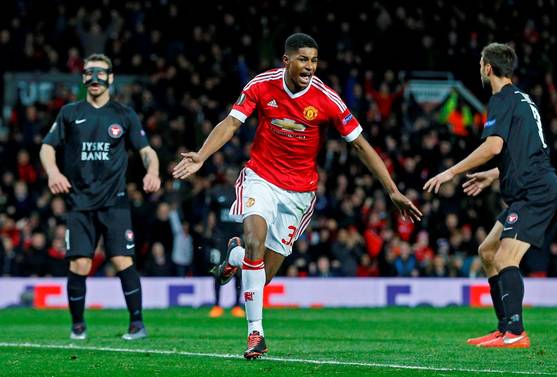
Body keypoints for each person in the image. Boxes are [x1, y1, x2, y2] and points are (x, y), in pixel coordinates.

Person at [173, 33, 422, 359]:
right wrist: (202, 156)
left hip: (298, 194)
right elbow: (231, 124)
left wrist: (392, 190)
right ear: (286, 60)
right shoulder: (262, 85)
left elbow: (360, 145)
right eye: (303, 59)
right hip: (260, 177)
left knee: (261, 275)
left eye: (314, 60)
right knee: (254, 240)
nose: (310, 66)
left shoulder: (327, 99)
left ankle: (234, 258)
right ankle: (255, 334)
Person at [423, 42, 557, 348]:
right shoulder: (523, 100)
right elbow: (529, 152)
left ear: (488, 68)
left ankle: (516, 332)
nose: (480, 69)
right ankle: (503, 328)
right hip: (532, 185)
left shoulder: (501, 98)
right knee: (487, 252)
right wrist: (493, 174)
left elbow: (493, 147)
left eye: (480, 64)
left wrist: (451, 172)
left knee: (504, 257)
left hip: (534, 191)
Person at [40, 53, 161, 340]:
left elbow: (147, 151)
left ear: (110, 78)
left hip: (115, 201)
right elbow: (47, 147)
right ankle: (78, 326)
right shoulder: (69, 113)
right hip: (79, 202)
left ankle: (137, 324)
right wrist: (53, 173)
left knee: (122, 261)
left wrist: (152, 171)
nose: (95, 78)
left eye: (100, 72)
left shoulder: (124, 114)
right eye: (89, 72)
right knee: (79, 264)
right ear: (83, 78)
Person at [205, 167, 244, 319]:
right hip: (220, 237)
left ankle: (237, 305)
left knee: (239, 271)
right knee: (218, 269)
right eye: (229, 174)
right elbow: (210, 214)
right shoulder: (217, 192)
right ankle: (216, 305)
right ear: (225, 176)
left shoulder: (243, 193)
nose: (231, 176)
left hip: (237, 237)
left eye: (234, 174)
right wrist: (209, 231)